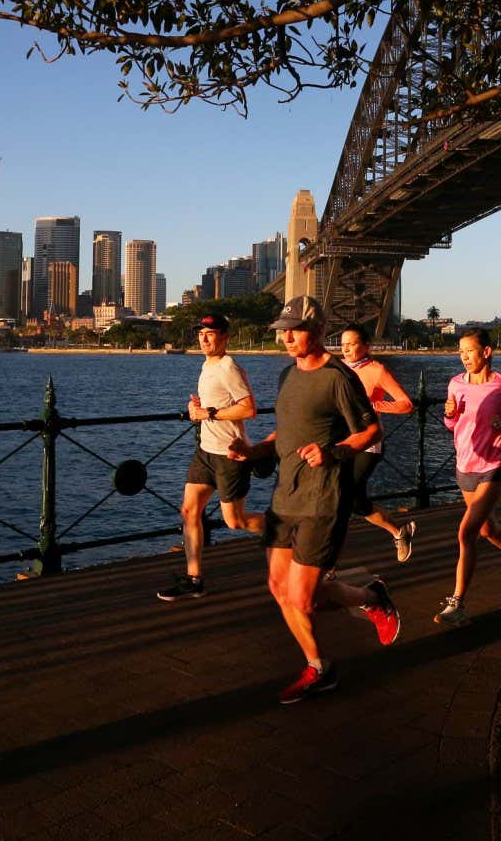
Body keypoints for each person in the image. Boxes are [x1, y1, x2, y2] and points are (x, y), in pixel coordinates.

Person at [228, 295, 401, 704]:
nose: (287, 338)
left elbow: (371, 431)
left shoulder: (338, 377)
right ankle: (319, 667)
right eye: (283, 331)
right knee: (279, 587)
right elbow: (286, 434)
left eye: (297, 330)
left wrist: (334, 452)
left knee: (302, 596)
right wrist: (253, 451)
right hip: (285, 497)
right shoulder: (287, 376)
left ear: (320, 330)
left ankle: (371, 599)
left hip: (323, 498)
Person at [435, 327, 501, 627]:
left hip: (496, 464)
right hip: (465, 465)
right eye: (461, 352)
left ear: (486, 352)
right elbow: (451, 424)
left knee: (466, 532)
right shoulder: (455, 384)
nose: (464, 357)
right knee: (485, 529)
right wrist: (449, 414)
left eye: (469, 351)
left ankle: (457, 604)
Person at [157, 314, 265, 602]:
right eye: (201, 333)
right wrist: (198, 408)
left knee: (235, 521)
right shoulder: (207, 365)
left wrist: (210, 413)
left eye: (210, 333)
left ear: (225, 337)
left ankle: (288, 534)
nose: (204, 338)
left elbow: (249, 409)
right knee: (189, 511)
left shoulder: (229, 367)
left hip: (230, 454)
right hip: (205, 451)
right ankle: (194, 579)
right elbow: (214, 407)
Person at [340, 324, 418, 562]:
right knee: (355, 502)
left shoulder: (377, 370)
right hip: (341, 441)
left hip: (368, 443)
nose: (346, 349)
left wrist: (374, 406)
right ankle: (399, 531)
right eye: (343, 344)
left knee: (344, 497)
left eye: (352, 344)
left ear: (366, 346)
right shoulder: (337, 368)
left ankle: (327, 562)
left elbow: (406, 404)